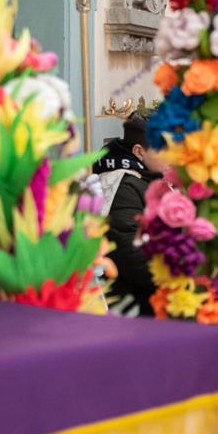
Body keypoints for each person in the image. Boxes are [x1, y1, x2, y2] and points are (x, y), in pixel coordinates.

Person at [92, 112, 157, 315]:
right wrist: (176, 276)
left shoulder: (148, 175)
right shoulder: (123, 186)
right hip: (133, 301)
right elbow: (131, 255)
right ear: (139, 151)